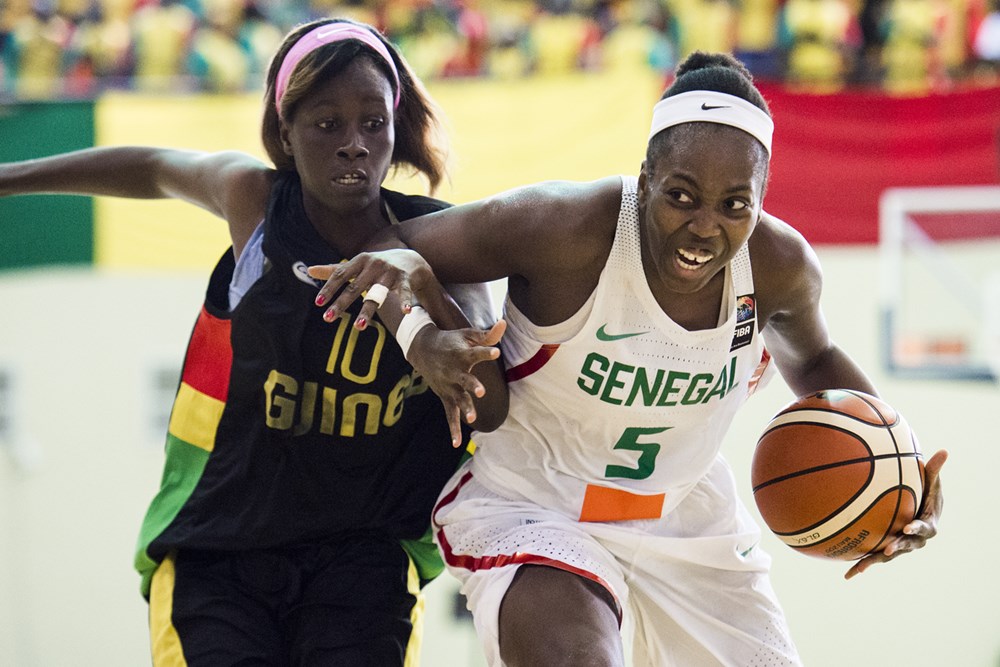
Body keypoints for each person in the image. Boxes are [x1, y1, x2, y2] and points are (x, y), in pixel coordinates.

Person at [309, 51, 948, 666]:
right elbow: (388, 247)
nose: (705, 226)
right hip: (535, 504)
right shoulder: (561, 227)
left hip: (685, 519)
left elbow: (815, 360)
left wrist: (906, 475)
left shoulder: (779, 266)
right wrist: (420, 336)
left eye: (735, 205)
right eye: (681, 196)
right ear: (645, 179)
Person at [0, 17, 507, 666]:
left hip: (366, 557)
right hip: (224, 546)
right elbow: (152, 166)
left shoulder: (442, 238)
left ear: (394, 127)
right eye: (327, 124)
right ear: (286, 137)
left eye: (372, 123)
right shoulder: (258, 205)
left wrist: (428, 304)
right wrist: (9, 176)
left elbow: (490, 406)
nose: (354, 144)